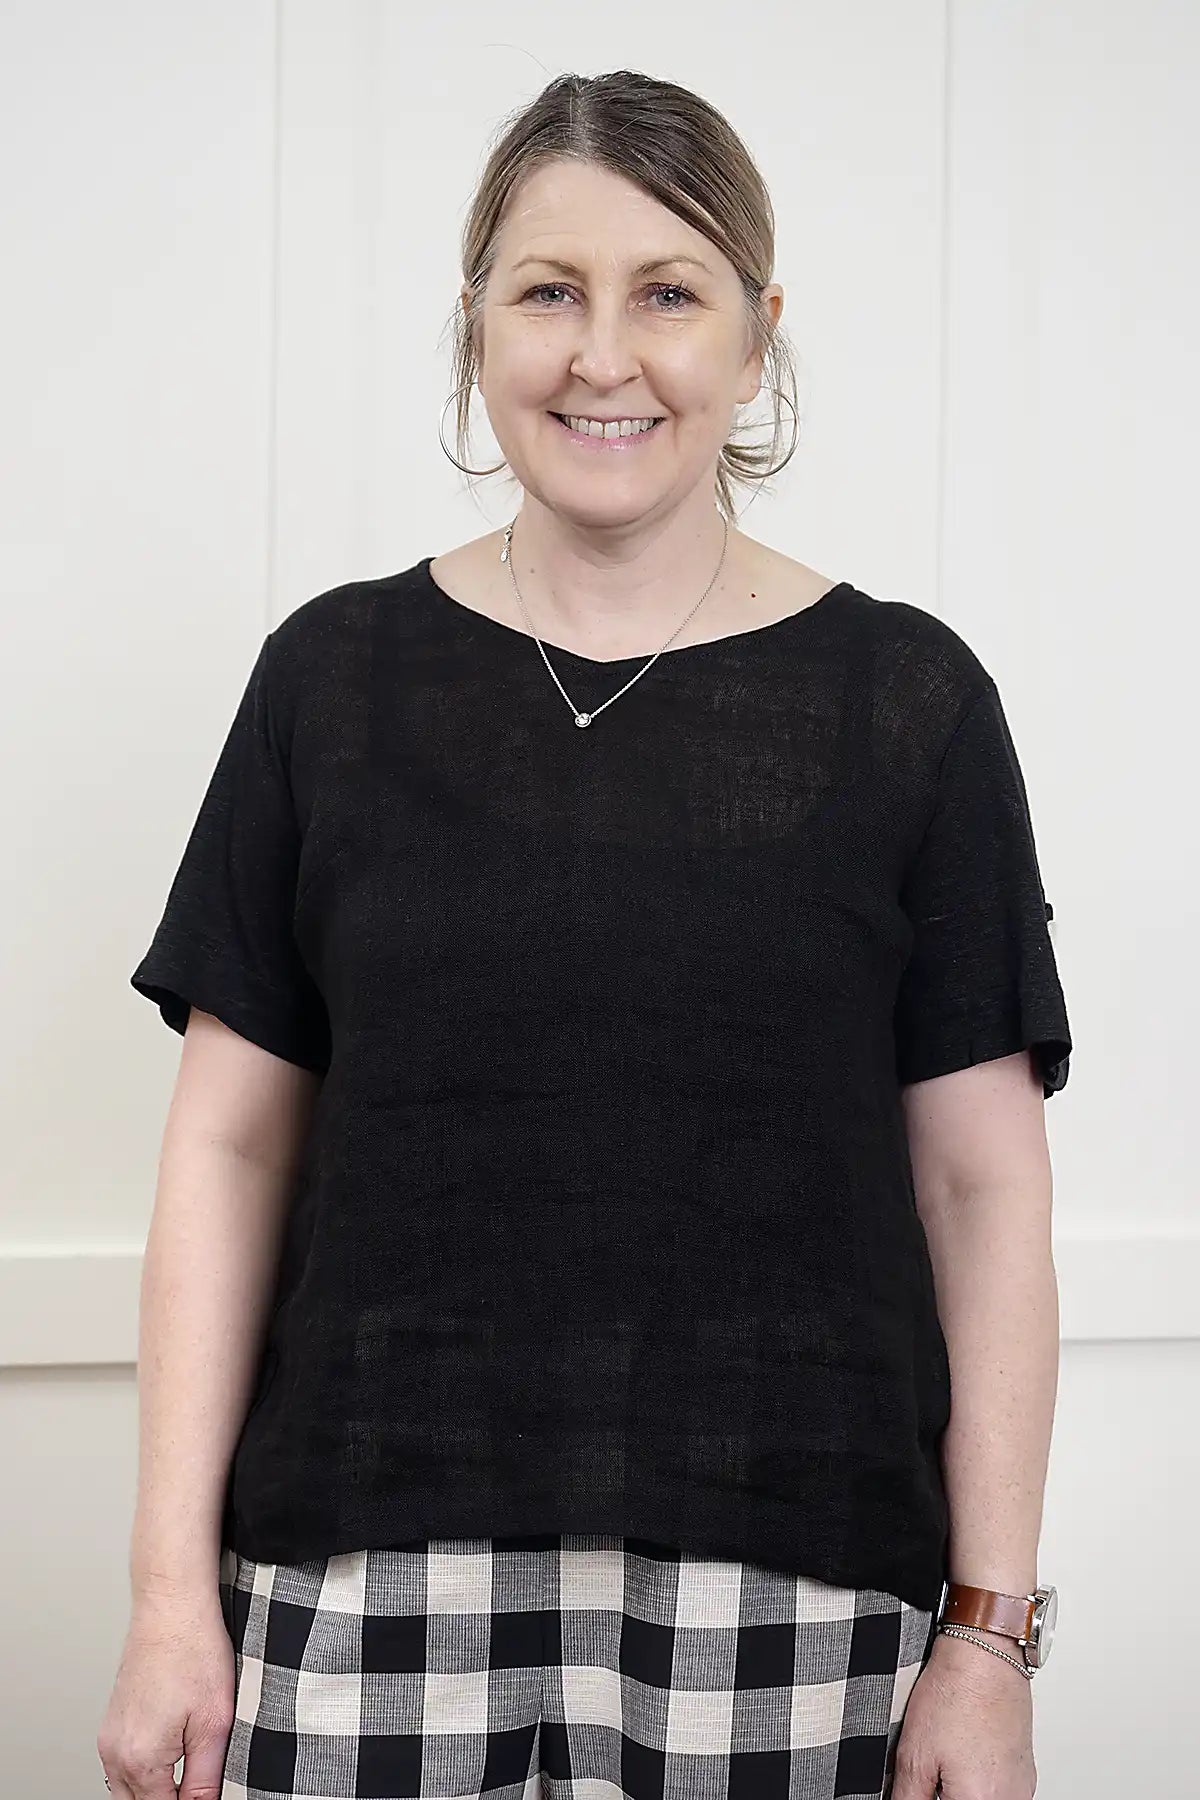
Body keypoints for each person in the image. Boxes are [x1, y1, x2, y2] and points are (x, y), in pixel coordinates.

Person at [98, 68, 1071, 1800]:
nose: (602, 356)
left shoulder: (907, 703)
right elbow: (229, 1152)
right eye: (549, 291)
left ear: (756, 338)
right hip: (357, 1581)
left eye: (668, 293)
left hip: (791, 1602)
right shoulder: (332, 683)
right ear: (477, 325)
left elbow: (982, 1193)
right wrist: (169, 1595)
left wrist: (987, 1643)